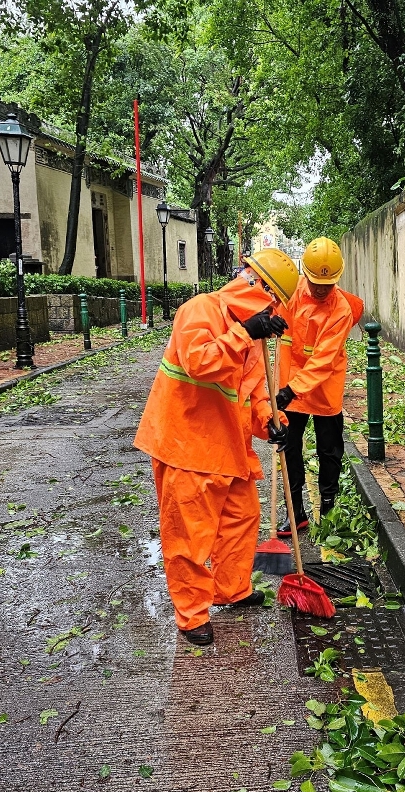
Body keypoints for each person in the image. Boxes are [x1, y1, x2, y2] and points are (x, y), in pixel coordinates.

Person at [134, 248, 298, 646]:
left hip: (228, 447)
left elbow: (253, 393)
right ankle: (192, 615)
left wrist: (271, 420)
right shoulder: (200, 310)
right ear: (256, 285)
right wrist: (246, 333)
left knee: (242, 518)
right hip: (186, 446)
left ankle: (232, 589)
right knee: (189, 536)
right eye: (272, 301)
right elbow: (199, 362)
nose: (273, 312)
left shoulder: (253, 335)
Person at [276, 237, 364, 536]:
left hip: (324, 385)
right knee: (289, 448)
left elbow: (323, 360)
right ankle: (296, 512)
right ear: (306, 274)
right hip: (291, 384)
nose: (321, 289)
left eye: (328, 284)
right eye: (316, 283)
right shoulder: (291, 292)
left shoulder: (341, 310)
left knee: (329, 450)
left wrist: (290, 390)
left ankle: (328, 508)